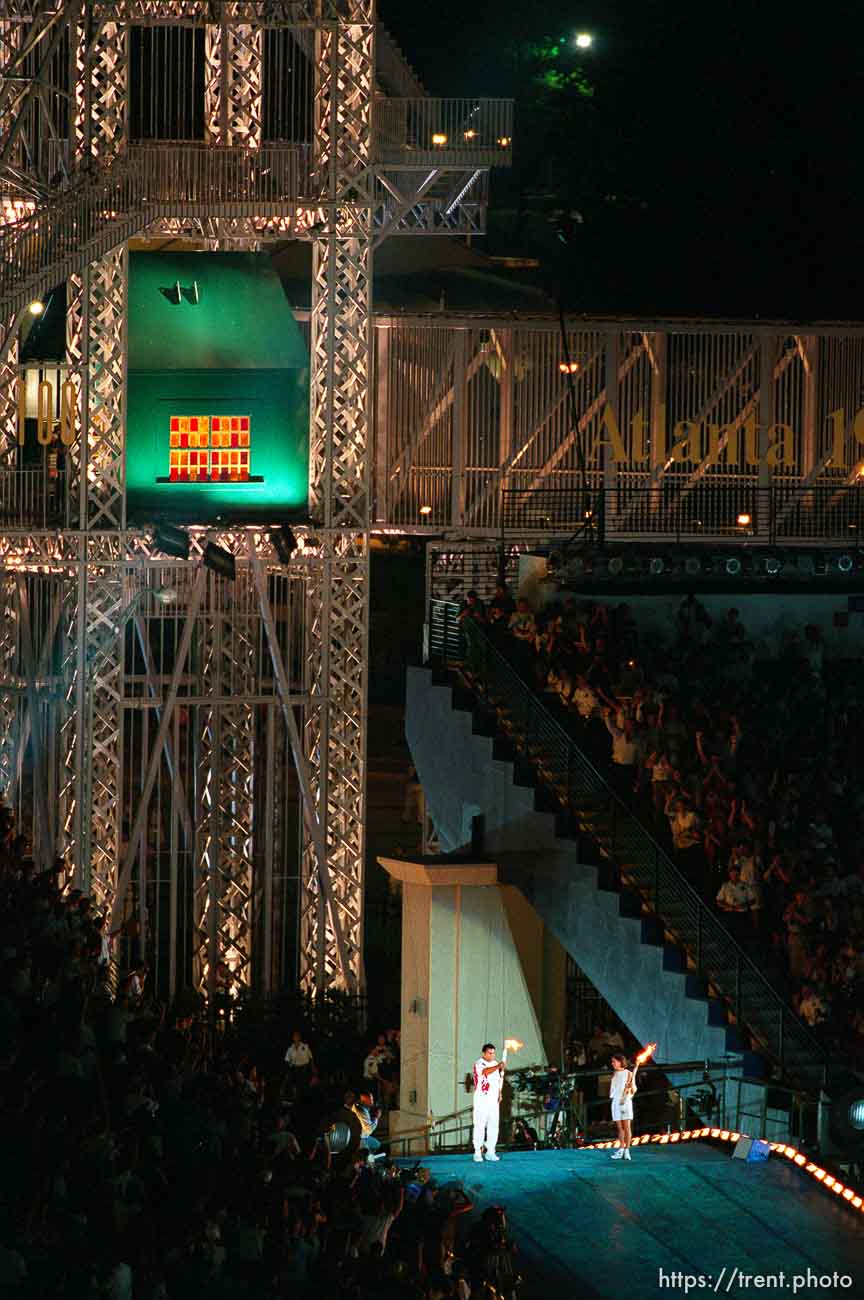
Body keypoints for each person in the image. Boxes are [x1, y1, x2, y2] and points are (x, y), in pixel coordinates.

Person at [472, 1043, 504, 1162]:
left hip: (493, 1100)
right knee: (480, 1126)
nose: (492, 1055)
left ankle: (491, 1151)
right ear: (484, 1053)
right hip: (482, 1099)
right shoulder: (479, 1063)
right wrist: (498, 1066)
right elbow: (485, 1072)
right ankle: (477, 1152)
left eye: (493, 1053)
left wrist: (499, 1093)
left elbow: (498, 1080)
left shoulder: (495, 1064)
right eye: (490, 1053)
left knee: (494, 1125)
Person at [609, 1053, 636, 1160]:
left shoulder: (629, 1074)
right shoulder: (614, 1074)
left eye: (614, 1061)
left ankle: (627, 1151)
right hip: (616, 1102)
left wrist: (630, 1087)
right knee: (620, 1128)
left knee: (627, 1127)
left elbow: (634, 1090)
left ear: (620, 1062)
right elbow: (612, 1091)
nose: (612, 1063)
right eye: (612, 1062)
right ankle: (621, 1149)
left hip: (626, 1102)